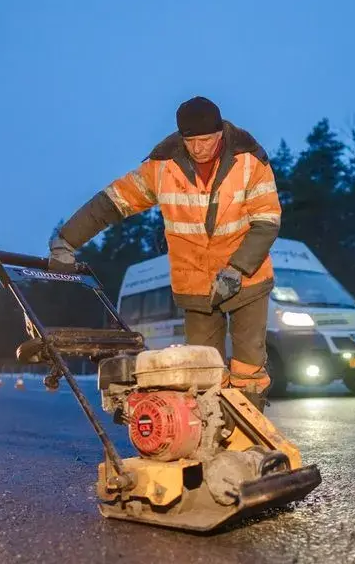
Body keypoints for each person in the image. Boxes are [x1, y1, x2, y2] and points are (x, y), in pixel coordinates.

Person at [48, 97, 282, 411]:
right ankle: (211, 437)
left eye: (206, 141)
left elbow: (267, 221)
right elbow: (112, 202)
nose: (199, 149)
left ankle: (250, 436)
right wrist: (66, 240)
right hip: (196, 285)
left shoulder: (250, 162)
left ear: (221, 135)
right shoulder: (162, 168)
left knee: (248, 368)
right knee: (203, 369)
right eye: (191, 142)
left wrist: (237, 269)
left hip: (247, 280)